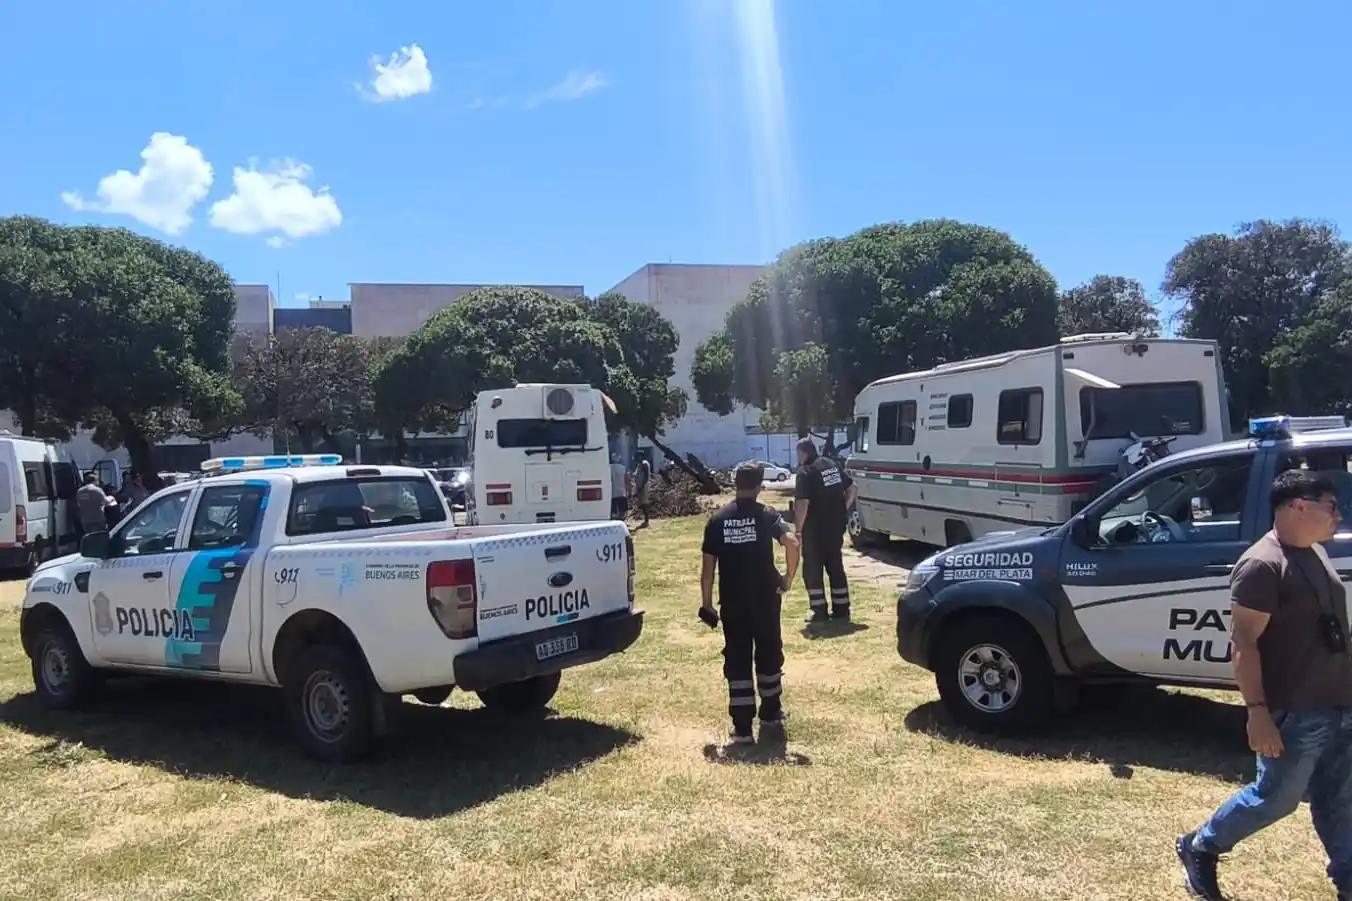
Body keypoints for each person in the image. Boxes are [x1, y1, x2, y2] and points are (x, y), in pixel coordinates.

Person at [1177, 469, 1352, 901]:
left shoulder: (1313, 553)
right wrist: (1257, 712)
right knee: (1275, 799)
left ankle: (1348, 877)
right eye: (1330, 507)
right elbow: (1243, 643)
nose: (1338, 516)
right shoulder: (1262, 564)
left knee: (1340, 798)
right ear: (1298, 506)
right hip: (1294, 708)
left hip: (1337, 704)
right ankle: (1201, 845)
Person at [701, 463, 800, 744]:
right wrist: (787, 579)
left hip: (733, 601)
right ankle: (771, 713)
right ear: (759, 486)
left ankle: (742, 728)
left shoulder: (718, 519)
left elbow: (708, 568)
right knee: (769, 653)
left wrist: (707, 604)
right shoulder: (767, 514)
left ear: (735, 484)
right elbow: (792, 543)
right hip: (766, 598)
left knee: (738, 658)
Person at [793, 438, 857, 623]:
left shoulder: (805, 472)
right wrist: (843, 507)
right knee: (835, 566)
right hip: (836, 525)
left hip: (815, 529)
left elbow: (803, 502)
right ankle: (842, 608)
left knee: (812, 568)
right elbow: (852, 487)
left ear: (802, 452)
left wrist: (798, 530)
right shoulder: (831, 464)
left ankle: (819, 610)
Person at [76, 471, 115, 536]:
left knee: (89, 537)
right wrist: (111, 497)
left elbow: (78, 504)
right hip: (97, 519)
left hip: (85, 520)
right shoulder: (97, 490)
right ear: (95, 481)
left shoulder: (80, 491)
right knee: (99, 536)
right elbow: (106, 502)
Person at [633, 458, 652, 528]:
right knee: (641, 503)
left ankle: (647, 520)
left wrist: (642, 486)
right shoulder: (639, 465)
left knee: (644, 503)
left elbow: (646, 476)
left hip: (643, 486)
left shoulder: (644, 464)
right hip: (640, 486)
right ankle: (645, 519)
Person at [609, 455, 629, 520]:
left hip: (611, 492)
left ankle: (614, 519)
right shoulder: (623, 468)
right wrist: (629, 490)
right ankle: (621, 520)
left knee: (613, 509)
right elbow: (626, 480)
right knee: (622, 509)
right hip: (622, 492)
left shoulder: (608, 467)